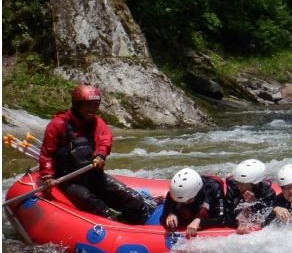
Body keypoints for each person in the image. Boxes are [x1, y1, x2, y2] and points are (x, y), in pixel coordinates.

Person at [38, 83, 154, 224]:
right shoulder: (57, 124)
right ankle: (114, 224)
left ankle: (144, 224)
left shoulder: (96, 122)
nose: (92, 109)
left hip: (93, 175)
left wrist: (100, 155)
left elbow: (104, 141)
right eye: (88, 105)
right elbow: (47, 153)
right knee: (96, 207)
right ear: (77, 104)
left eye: (95, 105)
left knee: (134, 201)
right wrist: (47, 175)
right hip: (69, 180)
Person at [161, 168, 226, 237]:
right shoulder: (175, 193)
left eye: (187, 200)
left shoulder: (214, 188)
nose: (184, 203)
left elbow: (222, 219)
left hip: (205, 214)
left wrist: (200, 221)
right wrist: (170, 213)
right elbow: (165, 214)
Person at [224, 159, 276, 233]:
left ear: (255, 184)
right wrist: (238, 222)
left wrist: (254, 202)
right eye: (238, 183)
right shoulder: (233, 186)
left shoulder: (267, 192)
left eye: (244, 185)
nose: (240, 187)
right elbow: (227, 215)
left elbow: (267, 218)